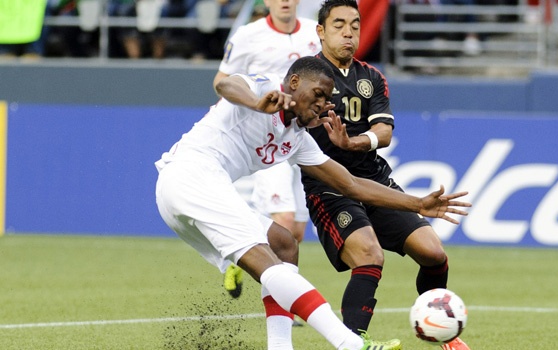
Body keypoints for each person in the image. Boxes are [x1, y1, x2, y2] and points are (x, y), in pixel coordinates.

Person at [155, 56, 471, 350]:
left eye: (327, 98)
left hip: (188, 191)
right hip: (191, 176)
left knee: (283, 244)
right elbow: (225, 85)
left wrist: (416, 203)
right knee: (270, 262)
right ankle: (351, 344)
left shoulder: (298, 139)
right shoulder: (264, 87)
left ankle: (280, 346)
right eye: (317, 94)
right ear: (293, 83)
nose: (322, 104)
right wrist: (256, 102)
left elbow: (351, 184)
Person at [301, 1, 471, 350]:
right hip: (330, 187)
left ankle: (443, 329)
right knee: (369, 254)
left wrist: (355, 141)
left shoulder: (371, 77)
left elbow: (384, 132)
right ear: (320, 31)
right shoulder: (308, 77)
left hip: (375, 181)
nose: (349, 32)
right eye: (338, 25)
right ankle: (352, 341)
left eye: (355, 25)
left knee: (433, 253)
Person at [212, 0, 321, 299]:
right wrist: (251, 106)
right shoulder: (248, 35)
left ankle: (240, 254)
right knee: (283, 220)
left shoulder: (315, 33)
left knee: (296, 232)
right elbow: (221, 82)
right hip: (266, 136)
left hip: (300, 135)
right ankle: (287, 303)